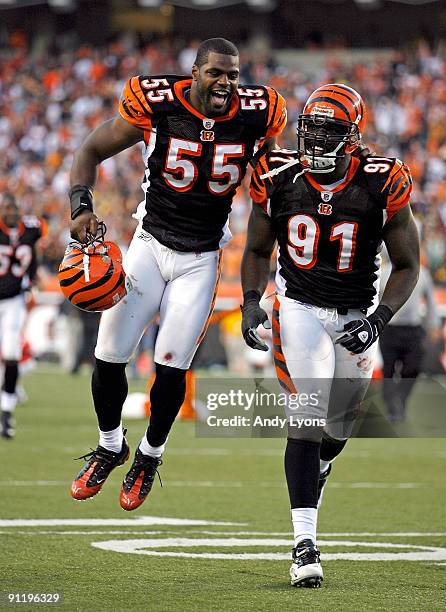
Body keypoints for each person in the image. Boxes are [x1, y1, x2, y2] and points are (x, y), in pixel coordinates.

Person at [69, 38, 286, 510]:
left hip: (202, 257)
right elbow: (90, 150)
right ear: (194, 73)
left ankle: (149, 456)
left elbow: (272, 192)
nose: (225, 82)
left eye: (232, 74)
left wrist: (256, 292)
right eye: (215, 73)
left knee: (172, 366)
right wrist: (80, 207)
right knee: (108, 355)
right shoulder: (158, 103)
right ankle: (110, 445)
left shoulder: (257, 115)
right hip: (149, 244)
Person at [240, 84, 419, 587]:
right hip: (296, 308)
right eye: (311, 129)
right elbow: (256, 250)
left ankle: (318, 468)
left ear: (353, 137)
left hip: (355, 314)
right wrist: (253, 303)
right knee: (307, 413)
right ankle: (304, 544)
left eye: (330, 131)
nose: (317, 141)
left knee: (338, 429)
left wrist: (378, 318)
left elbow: (407, 265)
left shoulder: (381, 181)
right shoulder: (277, 176)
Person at [0, 193, 45, 439]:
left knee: (11, 354)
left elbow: (41, 233)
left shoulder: (31, 229)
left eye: (14, 207)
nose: (11, 211)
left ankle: (6, 413)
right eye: (7, 207)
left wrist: (34, 274)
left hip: (14, 300)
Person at [379, 254, 441, 421]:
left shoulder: (423, 273)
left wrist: (433, 325)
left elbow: (431, 301)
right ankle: (392, 406)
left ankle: (400, 399)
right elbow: (374, 300)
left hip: (413, 329)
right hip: (389, 329)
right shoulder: (383, 272)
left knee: (413, 368)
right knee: (389, 370)